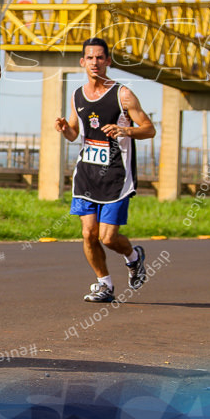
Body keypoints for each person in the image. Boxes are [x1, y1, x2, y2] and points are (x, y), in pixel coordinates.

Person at [54, 38, 156, 303]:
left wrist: (126, 130)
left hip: (116, 176)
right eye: (90, 58)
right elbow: (75, 133)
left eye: (100, 58)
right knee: (88, 234)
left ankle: (134, 258)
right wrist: (66, 129)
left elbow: (149, 129)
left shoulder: (123, 94)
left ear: (108, 61)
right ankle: (105, 285)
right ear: (82, 62)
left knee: (108, 237)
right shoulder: (77, 94)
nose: (95, 63)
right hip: (86, 173)